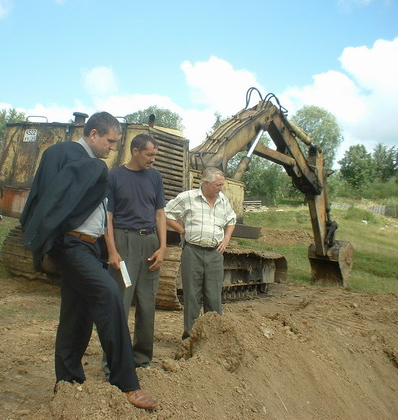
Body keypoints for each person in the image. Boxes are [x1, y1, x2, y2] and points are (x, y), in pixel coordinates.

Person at [19, 112, 158, 411]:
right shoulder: (63, 154)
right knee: (109, 295)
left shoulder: (93, 168)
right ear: (93, 134)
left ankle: (67, 381)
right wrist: (48, 241)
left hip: (90, 247)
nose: (112, 147)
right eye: (110, 141)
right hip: (70, 244)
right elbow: (47, 200)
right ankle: (127, 383)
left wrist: (105, 246)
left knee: (76, 315)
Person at [104, 134, 166, 371]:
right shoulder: (115, 176)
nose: (153, 159)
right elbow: (107, 217)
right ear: (136, 151)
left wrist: (162, 246)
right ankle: (113, 363)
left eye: (155, 155)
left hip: (150, 242)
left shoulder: (155, 177)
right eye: (149, 155)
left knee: (147, 304)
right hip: (124, 241)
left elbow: (160, 213)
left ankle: (142, 359)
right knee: (120, 303)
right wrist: (111, 250)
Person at [164, 167, 236, 340]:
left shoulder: (223, 200)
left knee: (213, 296)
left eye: (222, 185)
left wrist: (226, 239)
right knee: (192, 295)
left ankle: (213, 338)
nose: (221, 188)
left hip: (214, 254)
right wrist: (182, 230)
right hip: (193, 252)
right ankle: (191, 336)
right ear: (206, 183)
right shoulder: (187, 197)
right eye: (218, 184)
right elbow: (166, 214)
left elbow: (231, 219)